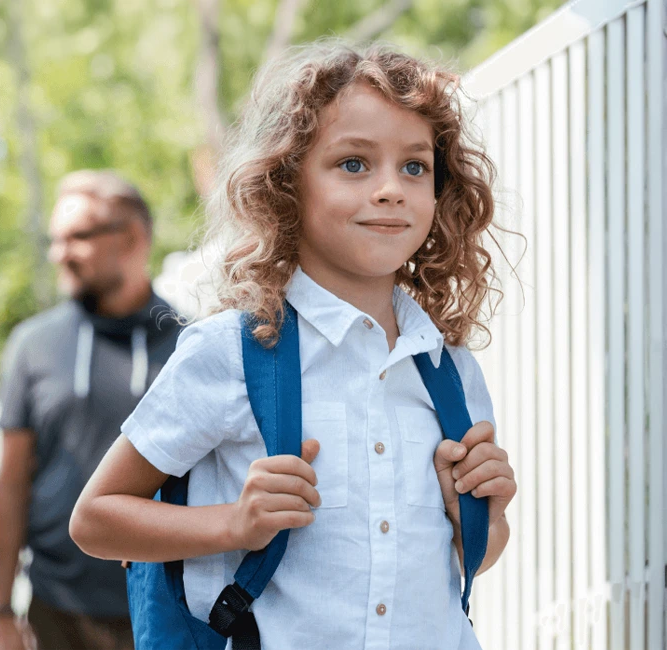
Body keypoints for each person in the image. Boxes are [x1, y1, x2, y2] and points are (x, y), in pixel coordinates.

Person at [70, 43, 517, 649]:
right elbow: (96, 519)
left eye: (414, 167)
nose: (391, 188)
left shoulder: (448, 370)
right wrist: (235, 522)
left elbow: (475, 558)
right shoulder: (231, 352)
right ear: (286, 187)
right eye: (354, 164)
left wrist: (480, 515)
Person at [0, 170, 182, 650]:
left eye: (78, 237)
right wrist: (0, 612)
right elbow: (11, 481)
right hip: (58, 609)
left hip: (167, 601)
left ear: (133, 237)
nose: (60, 254)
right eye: (55, 240)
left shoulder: (191, 344)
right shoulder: (32, 345)